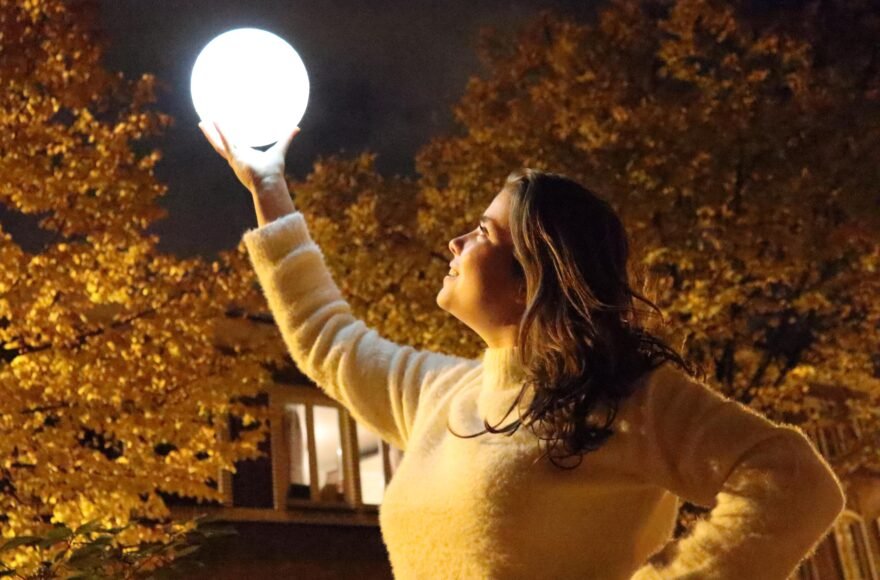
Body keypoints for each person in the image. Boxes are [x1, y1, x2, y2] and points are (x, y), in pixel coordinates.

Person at [199, 121, 845, 580]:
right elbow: (326, 339)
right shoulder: (439, 393)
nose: (454, 241)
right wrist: (269, 191)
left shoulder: (627, 397)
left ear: (533, 274)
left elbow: (796, 481)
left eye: (481, 231)